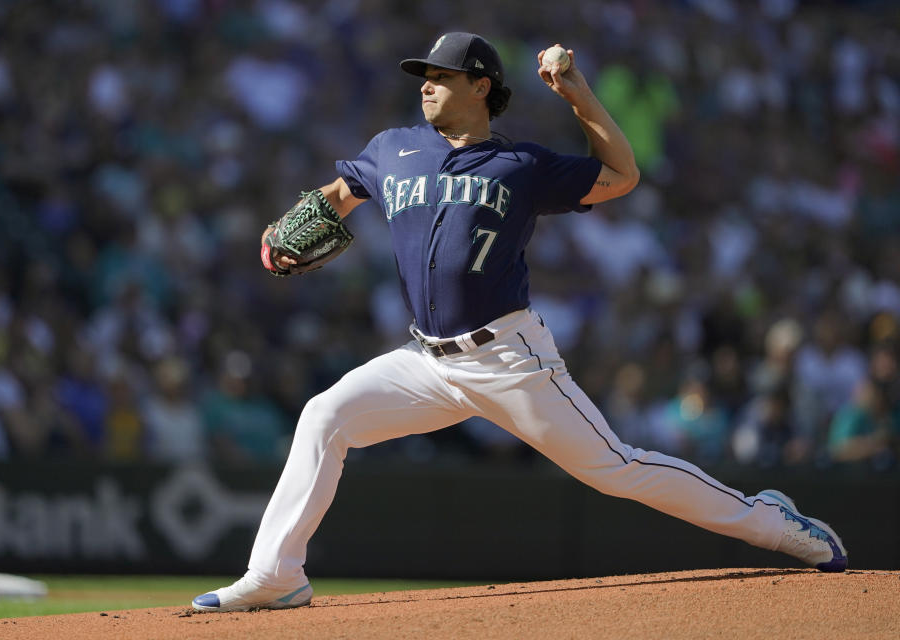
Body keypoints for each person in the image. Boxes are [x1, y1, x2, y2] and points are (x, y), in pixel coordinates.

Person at [192, 32, 847, 613]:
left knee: (617, 468)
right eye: (424, 75)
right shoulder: (392, 149)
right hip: (426, 362)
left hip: (510, 360)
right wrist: (286, 228)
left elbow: (622, 175)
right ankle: (276, 574)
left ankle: (774, 523)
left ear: (481, 86)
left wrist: (576, 92)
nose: (426, 84)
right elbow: (337, 195)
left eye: (442, 75)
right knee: (324, 416)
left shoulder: (521, 165)